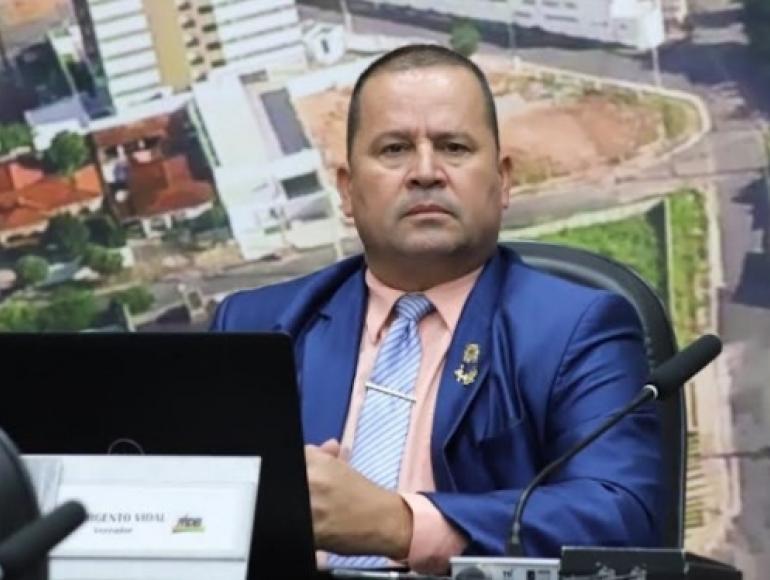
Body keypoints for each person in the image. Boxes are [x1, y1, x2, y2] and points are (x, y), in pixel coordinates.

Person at [211, 44, 664, 574]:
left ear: (503, 180)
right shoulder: (257, 328)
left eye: (453, 147)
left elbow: (621, 516)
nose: (425, 172)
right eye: (394, 149)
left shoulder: (575, 330)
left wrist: (400, 524)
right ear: (347, 191)